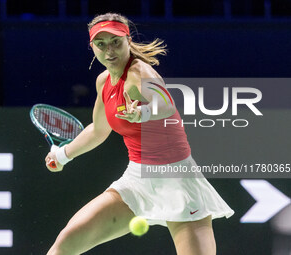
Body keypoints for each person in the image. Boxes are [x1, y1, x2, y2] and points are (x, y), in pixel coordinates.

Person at [45, 13, 234, 255]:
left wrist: (143, 113)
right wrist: (62, 155)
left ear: (128, 40)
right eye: (101, 44)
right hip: (136, 180)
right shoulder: (104, 81)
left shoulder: (139, 72)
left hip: (177, 180)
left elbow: (165, 103)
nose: (109, 51)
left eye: (116, 42)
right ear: (92, 47)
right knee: (66, 243)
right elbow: (98, 130)